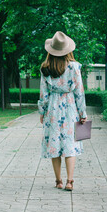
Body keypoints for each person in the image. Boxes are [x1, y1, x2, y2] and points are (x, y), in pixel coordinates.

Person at [38, 31, 87, 191]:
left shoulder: (45, 68)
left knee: (54, 144)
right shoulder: (74, 67)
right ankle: (69, 181)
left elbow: (43, 94)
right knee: (70, 145)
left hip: (52, 109)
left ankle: (58, 180)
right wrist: (83, 114)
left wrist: (42, 111)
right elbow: (79, 92)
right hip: (70, 108)